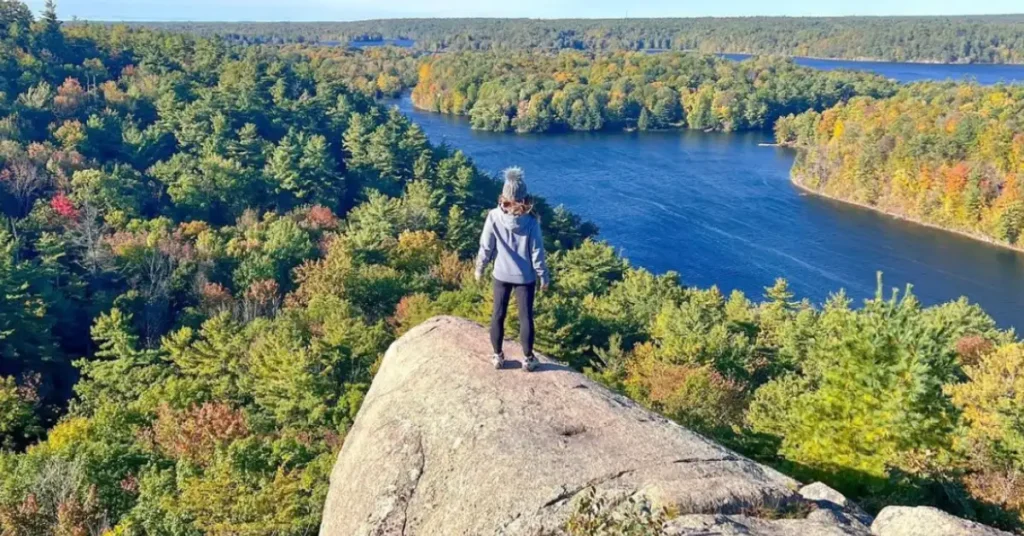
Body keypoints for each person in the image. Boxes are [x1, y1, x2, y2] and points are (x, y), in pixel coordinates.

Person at [475, 167, 550, 371]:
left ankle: (497, 356)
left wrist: (479, 269)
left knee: (498, 314)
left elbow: (486, 247)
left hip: (500, 274)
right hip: (525, 277)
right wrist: (544, 277)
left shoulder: (493, 216)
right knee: (526, 317)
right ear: (524, 199)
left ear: (504, 195)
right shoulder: (531, 222)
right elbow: (537, 253)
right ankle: (528, 359)